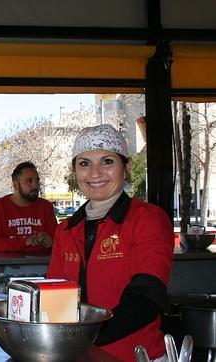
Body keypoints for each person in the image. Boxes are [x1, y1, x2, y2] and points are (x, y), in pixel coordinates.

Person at [46, 124, 174, 361]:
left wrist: (89, 335)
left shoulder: (147, 218)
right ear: (75, 171)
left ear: (126, 168)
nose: (95, 173)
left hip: (137, 355)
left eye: (107, 161)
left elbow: (147, 296)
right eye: (84, 163)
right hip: (77, 354)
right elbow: (54, 294)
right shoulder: (66, 230)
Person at [0, 161, 58, 253]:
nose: (35, 185)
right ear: (16, 185)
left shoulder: (46, 207)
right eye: (29, 181)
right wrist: (26, 241)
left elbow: (59, 242)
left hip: (42, 265)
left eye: (37, 181)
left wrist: (52, 242)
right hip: (7, 265)